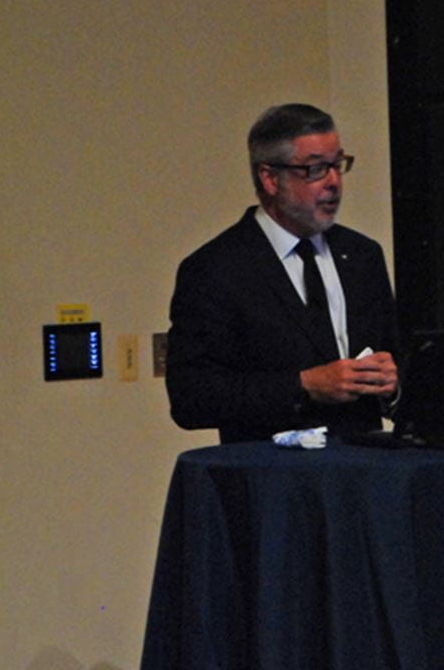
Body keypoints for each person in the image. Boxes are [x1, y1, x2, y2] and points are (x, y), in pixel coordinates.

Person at [165, 103, 399, 442]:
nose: (333, 182)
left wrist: (391, 384)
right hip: (271, 478)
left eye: (338, 165)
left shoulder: (362, 255)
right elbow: (192, 399)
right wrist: (304, 386)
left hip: (361, 472)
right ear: (270, 178)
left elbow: (395, 356)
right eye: (316, 169)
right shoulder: (215, 269)